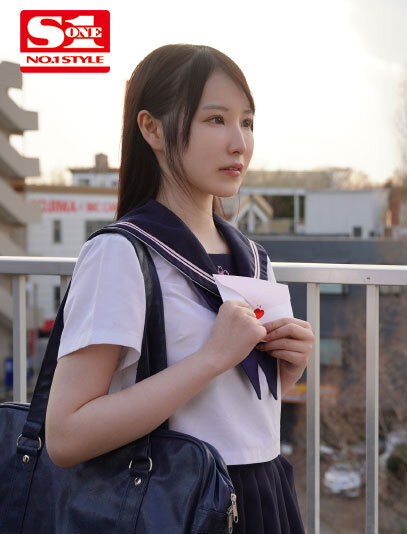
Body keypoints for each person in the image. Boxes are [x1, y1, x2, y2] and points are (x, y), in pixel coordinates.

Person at [43, 44, 312, 534]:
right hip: (175, 502)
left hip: (264, 495)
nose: (239, 143)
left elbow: (225, 413)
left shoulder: (252, 257)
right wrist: (212, 358)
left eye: (247, 122)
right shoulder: (121, 254)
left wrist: (285, 370)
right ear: (152, 129)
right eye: (216, 119)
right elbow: (65, 435)